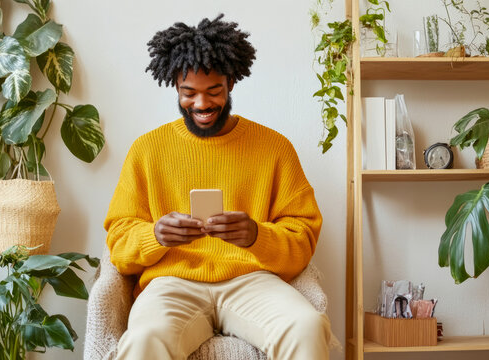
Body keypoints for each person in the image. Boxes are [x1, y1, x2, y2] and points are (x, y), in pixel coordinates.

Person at [105, 14, 331, 360]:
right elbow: (118, 244)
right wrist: (157, 235)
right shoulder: (147, 150)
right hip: (171, 285)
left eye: (214, 92)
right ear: (174, 87)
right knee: (144, 339)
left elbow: (303, 239)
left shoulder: (274, 148)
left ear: (232, 82)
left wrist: (257, 235)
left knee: (307, 326)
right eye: (188, 93)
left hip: (252, 281)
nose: (201, 105)